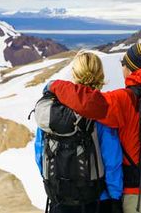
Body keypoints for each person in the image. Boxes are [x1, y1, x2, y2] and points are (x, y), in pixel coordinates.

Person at [46, 43, 141, 213]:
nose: (122, 68)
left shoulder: (125, 99)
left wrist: (55, 86)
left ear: (131, 68)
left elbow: (89, 102)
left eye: (123, 64)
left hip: (137, 196)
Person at [34, 51, 123, 213]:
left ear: (74, 74)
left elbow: (40, 154)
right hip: (96, 199)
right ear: (100, 75)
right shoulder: (101, 111)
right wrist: (115, 198)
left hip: (59, 198)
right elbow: (112, 162)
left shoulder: (51, 111)